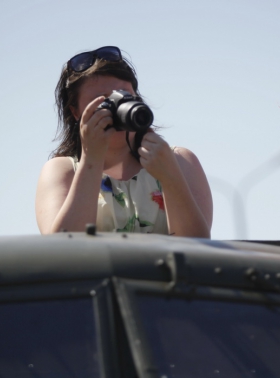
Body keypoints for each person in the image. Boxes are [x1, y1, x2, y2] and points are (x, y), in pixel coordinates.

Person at [36, 46, 213, 237]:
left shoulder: (180, 161)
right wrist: (91, 159)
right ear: (76, 112)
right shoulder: (63, 170)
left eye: (124, 94)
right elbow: (62, 246)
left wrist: (170, 178)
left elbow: (197, 245)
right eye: (102, 100)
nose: (117, 105)